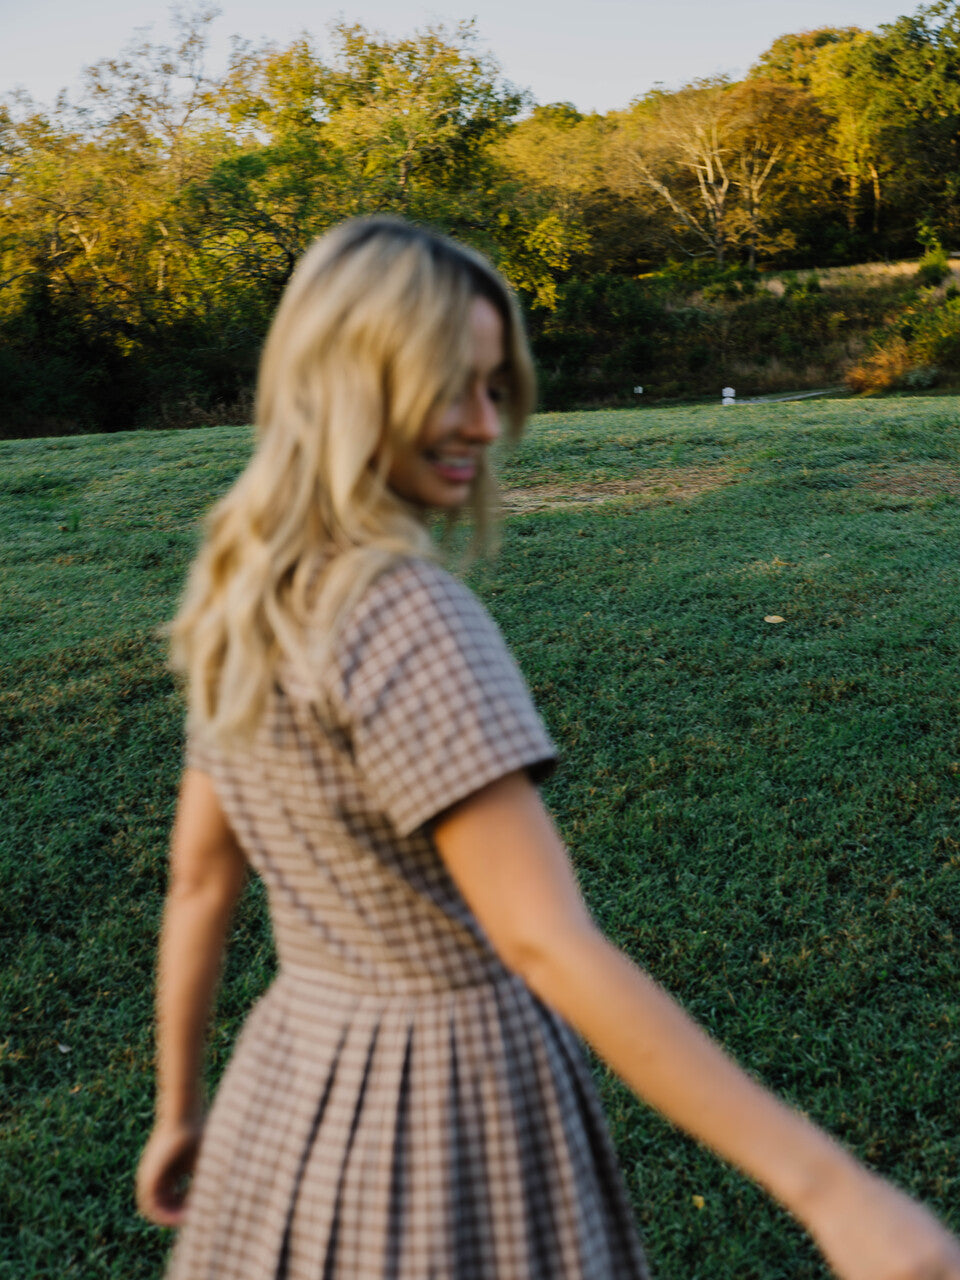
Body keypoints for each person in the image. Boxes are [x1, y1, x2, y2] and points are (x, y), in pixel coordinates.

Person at [136, 215, 960, 1280]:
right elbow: (544, 942)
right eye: (451, 385)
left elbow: (198, 880)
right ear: (349, 382)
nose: (485, 424)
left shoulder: (245, 592)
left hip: (291, 1084)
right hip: (444, 1100)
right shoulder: (404, 612)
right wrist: (833, 1190)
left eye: (494, 387)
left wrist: (177, 1106)